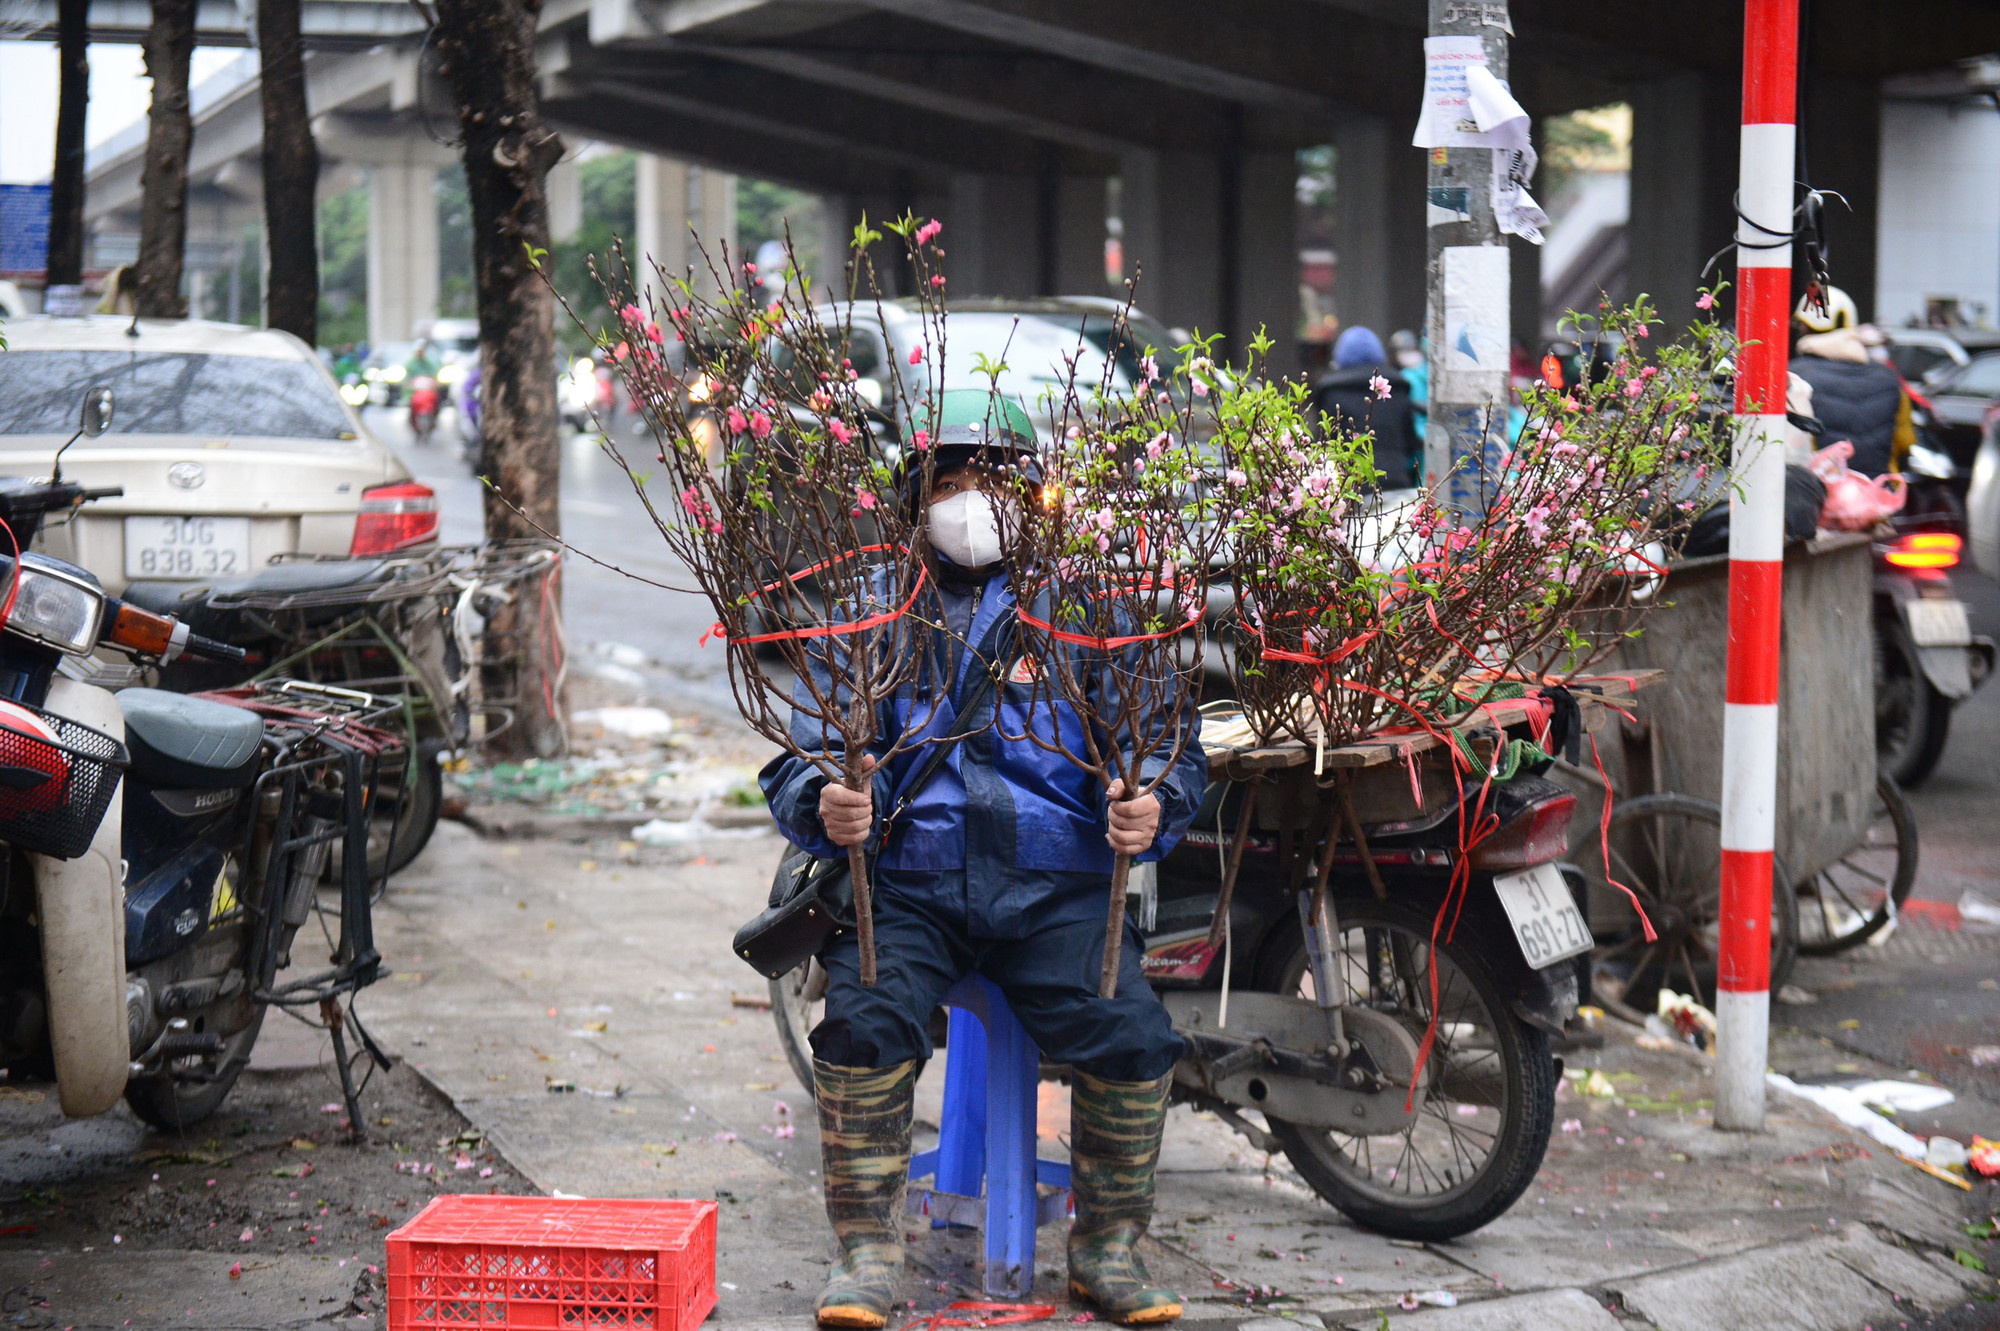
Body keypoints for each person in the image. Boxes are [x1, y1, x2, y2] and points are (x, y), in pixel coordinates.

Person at [761, 390, 1207, 1329]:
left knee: (1130, 1028)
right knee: (864, 1022)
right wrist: (826, 801)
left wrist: (1151, 805)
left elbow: (1170, 746)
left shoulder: (1093, 609)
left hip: (1057, 892)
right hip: (911, 891)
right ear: (916, 499)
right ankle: (869, 1253)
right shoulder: (872, 608)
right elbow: (796, 757)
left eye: (992, 482)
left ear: (1035, 495)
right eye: (950, 482)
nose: (970, 502)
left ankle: (1107, 1253)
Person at [1788, 285, 1914, 476]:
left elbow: (1789, 447)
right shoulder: (1889, 378)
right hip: (1877, 498)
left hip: (1817, 497)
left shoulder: (1793, 376)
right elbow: (1906, 441)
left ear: (1805, 327)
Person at [1313, 326, 1421, 488]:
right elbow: (1411, 443)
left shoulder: (1331, 393)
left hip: (1349, 483)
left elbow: (1323, 445)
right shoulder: (1397, 388)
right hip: (1396, 481)